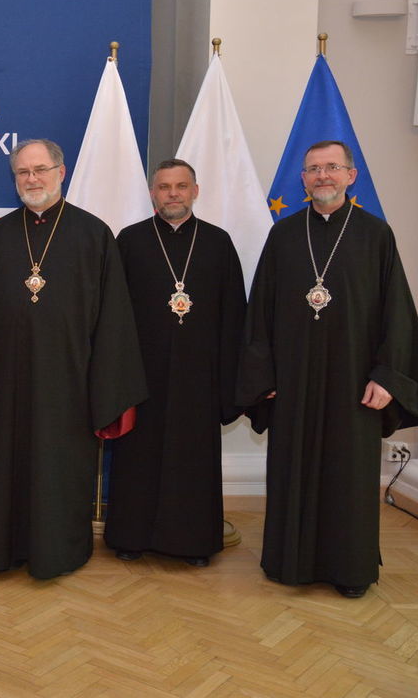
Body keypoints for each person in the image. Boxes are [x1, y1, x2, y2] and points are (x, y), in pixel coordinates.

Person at [0, 139, 146, 579]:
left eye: (39, 170)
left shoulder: (94, 235)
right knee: (6, 467)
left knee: (59, 469)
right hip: (5, 382)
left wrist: (103, 386)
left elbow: (114, 320)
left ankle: (60, 552)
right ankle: (4, 547)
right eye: (22, 173)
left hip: (68, 384)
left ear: (61, 171)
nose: (31, 179)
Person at [237, 140, 418, 598]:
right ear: (302, 180)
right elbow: (259, 312)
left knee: (349, 476)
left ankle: (350, 569)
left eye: (331, 168)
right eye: (313, 169)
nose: (322, 176)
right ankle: (289, 563)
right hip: (294, 383)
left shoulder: (374, 234)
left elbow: (397, 314)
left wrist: (387, 375)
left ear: (350, 175)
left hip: (354, 384)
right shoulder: (283, 235)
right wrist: (263, 378)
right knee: (292, 470)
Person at [104, 159, 245, 567]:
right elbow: (113, 312)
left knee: (192, 459)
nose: (172, 194)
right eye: (164, 187)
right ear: (152, 193)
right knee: (138, 457)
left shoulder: (218, 243)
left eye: (181, 186)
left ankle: (193, 541)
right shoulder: (129, 241)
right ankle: (131, 537)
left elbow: (234, 314)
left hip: (199, 376)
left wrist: (227, 380)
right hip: (141, 373)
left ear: (195, 191)